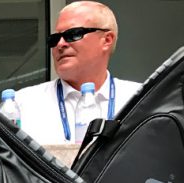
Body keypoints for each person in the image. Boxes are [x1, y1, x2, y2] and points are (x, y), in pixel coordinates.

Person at [15, 1, 142, 144]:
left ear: (106, 40)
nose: (60, 44)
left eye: (73, 34)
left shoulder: (139, 101)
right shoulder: (22, 105)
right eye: (55, 38)